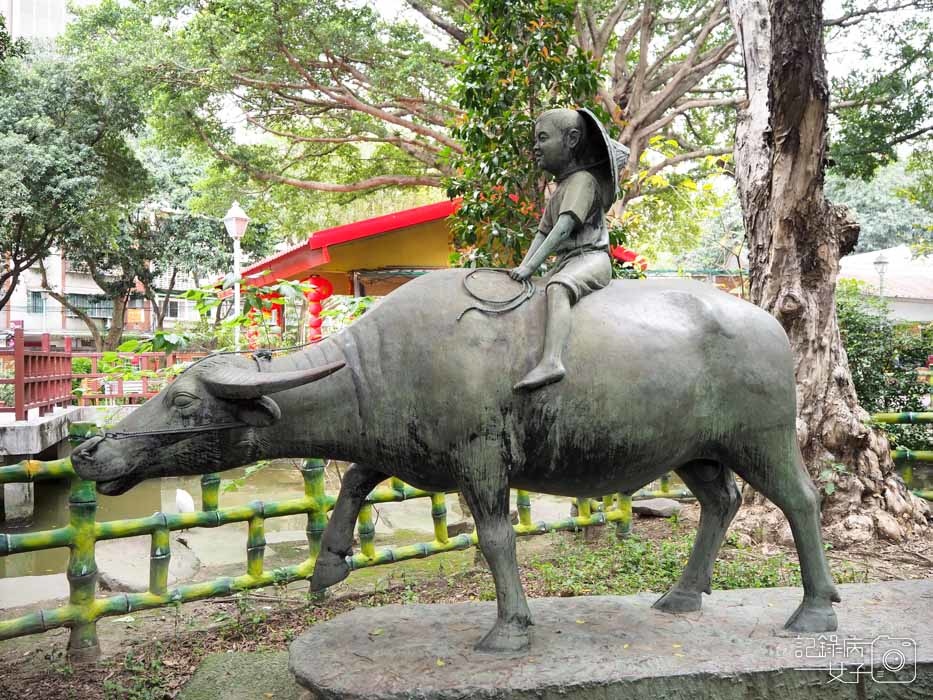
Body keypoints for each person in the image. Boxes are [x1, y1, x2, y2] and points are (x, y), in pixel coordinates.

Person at [510, 108, 628, 391]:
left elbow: (562, 228)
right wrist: (523, 268)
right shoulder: (560, 188)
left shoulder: (582, 182)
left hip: (591, 259)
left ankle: (552, 361)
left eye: (542, 138)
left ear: (572, 139)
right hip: (567, 260)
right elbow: (542, 234)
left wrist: (529, 267)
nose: (535, 147)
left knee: (558, 287)